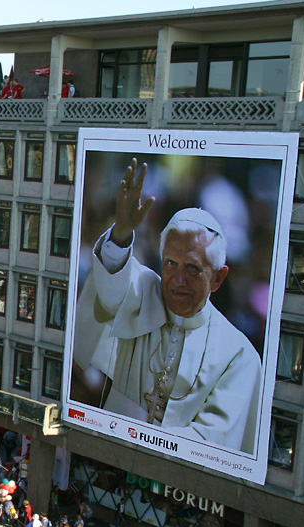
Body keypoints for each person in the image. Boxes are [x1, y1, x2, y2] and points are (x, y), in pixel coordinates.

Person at [73, 158, 262, 453]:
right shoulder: (145, 293)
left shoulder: (239, 356)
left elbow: (213, 444)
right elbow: (111, 288)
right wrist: (122, 232)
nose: (178, 280)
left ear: (218, 278)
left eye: (193, 269)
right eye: (171, 264)